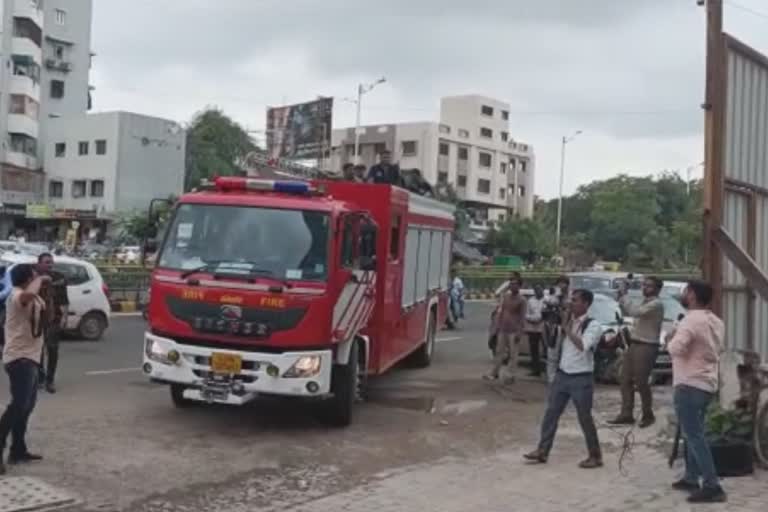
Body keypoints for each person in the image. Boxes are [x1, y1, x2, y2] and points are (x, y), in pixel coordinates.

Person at [524, 289, 603, 469]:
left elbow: (583, 345)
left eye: (575, 301)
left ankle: (595, 455)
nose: (571, 303)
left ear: (586, 304)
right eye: (570, 300)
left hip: (581, 377)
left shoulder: (593, 325)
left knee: (584, 418)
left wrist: (567, 328)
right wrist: (556, 324)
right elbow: (552, 344)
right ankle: (542, 450)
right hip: (563, 374)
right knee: (551, 414)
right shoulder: (569, 322)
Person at [665, 281, 726, 503]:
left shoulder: (690, 320)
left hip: (688, 384)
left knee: (694, 435)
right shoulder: (715, 321)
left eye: (685, 291)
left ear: (692, 295)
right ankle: (691, 477)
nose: (683, 295)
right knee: (693, 432)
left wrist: (670, 339)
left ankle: (712, 485)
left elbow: (677, 348)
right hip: (706, 383)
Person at [0, 264, 49, 475]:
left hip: (32, 357)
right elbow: (27, 296)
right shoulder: (16, 294)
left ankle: (18, 450)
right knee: (18, 405)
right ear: (28, 278)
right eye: (35, 275)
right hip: (19, 358)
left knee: (26, 407)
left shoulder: (35, 297)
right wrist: (41, 278)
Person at [610, 276, 664, 428]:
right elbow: (629, 311)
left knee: (641, 382)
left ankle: (648, 414)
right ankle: (626, 414)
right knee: (624, 378)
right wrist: (621, 297)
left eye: (649, 286)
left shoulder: (656, 304)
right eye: (644, 285)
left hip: (647, 346)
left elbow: (634, 312)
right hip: (635, 344)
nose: (645, 288)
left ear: (658, 289)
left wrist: (624, 295)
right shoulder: (646, 302)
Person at [36, 253, 69, 393]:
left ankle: (50, 380)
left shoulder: (59, 277)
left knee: (52, 349)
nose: (49, 265)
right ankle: (39, 378)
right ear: (39, 263)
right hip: (36, 318)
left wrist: (65, 317)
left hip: (54, 318)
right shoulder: (34, 277)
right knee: (38, 350)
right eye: (46, 262)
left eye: (51, 262)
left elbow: (64, 300)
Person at [484, 277, 526, 384]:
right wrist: (497, 327)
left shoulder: (522, 300)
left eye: (515, 284)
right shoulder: (506, 297)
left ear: (519, 286)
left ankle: (510, 375)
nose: (512, 286)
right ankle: (494, 372)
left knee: (513, 354)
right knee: (499, 352)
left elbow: (522, 317)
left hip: (514, 330)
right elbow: (502, 312)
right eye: (511, 284)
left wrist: (519, 332)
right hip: (503, 329)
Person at [525, 285, 546, 377]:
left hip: (544, 329)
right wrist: (532, 319)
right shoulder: (530, 301)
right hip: (532, 328)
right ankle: (535, 370)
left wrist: (542, 318)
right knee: (534, 350)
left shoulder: (547, 300)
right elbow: (526, 314)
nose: (538, 291)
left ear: (543, 290)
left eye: (540, 290)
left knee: (548, 349)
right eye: (536, 290)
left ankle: (548, 370)